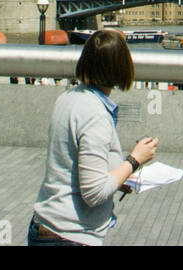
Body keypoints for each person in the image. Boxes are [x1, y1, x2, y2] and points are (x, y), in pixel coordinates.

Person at [28, 28, 159, 246]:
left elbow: (75, 165)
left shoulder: (69, 98)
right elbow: (94, 193)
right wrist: (135, 160)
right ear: (122, 68)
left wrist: (119, 178)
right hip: (69, 235)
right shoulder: (95, 115)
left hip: (46, 226)